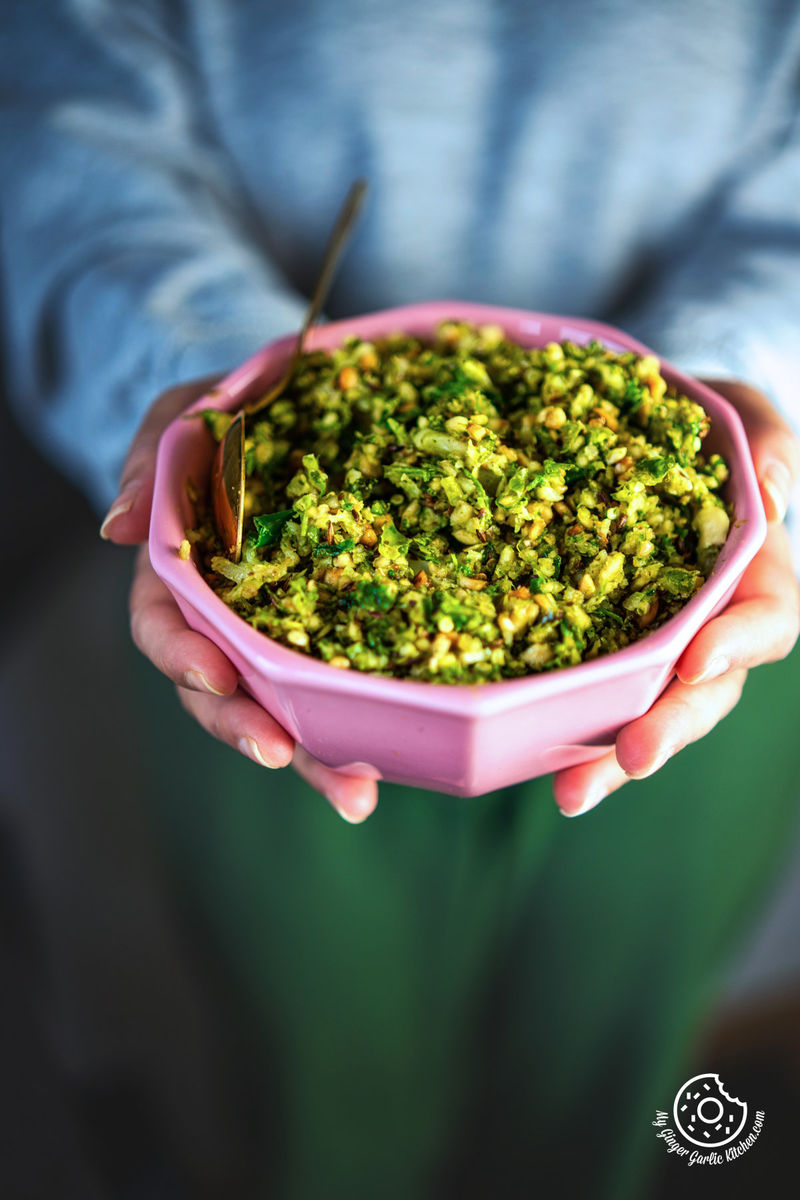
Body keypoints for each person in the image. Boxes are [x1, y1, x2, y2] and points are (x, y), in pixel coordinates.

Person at [3, 1, 800, 1195]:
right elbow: (62, 130)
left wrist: (747, 379)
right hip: (268, 686)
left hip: (683, 650)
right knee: (314, 1088)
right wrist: (201, 373)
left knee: (604, 1080)